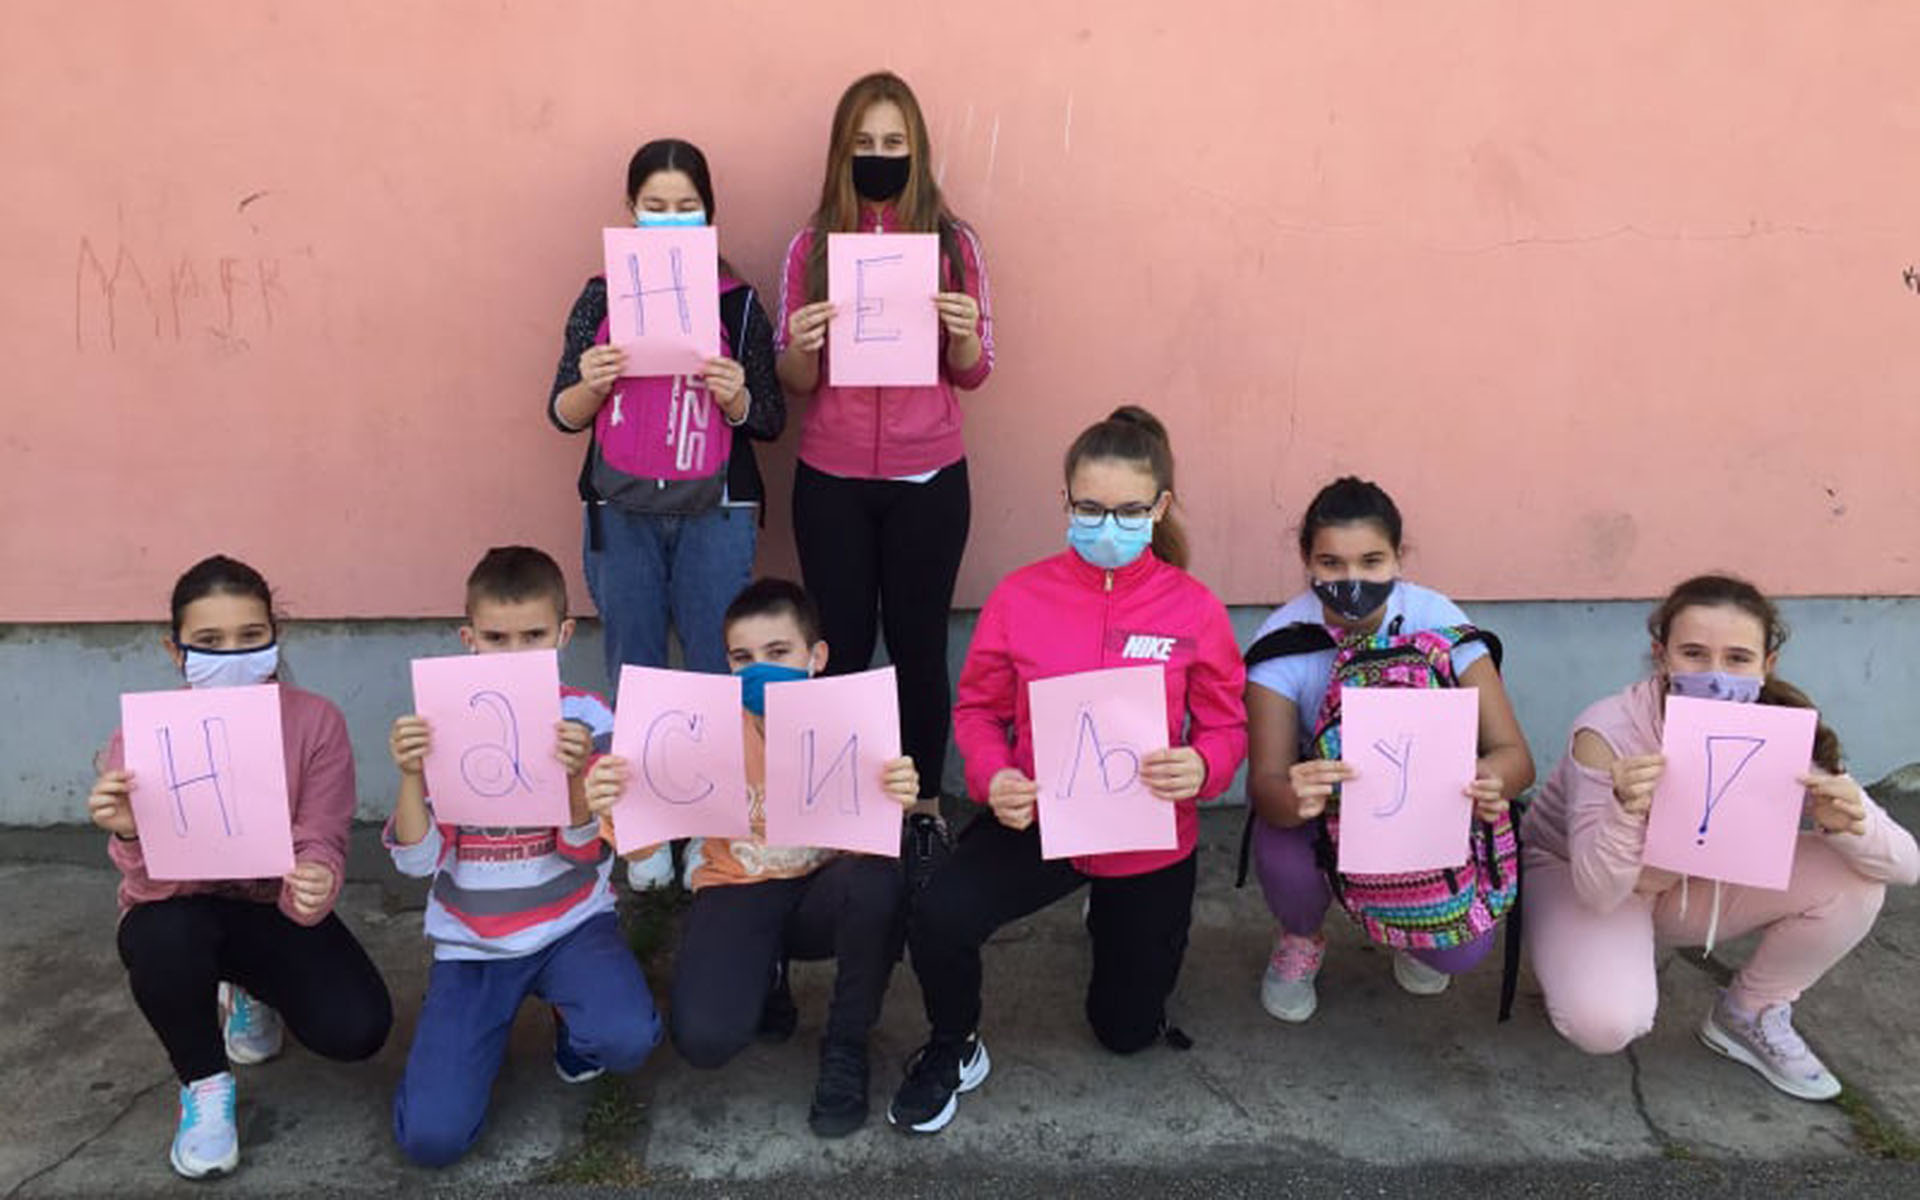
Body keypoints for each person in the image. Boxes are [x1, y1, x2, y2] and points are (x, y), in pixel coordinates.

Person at [886, 407, 1247, 1135]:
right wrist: (994, 778)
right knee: (939, 911)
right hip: (1041, 820)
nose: (1107, 524)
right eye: (1089, 507)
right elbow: (979, 709)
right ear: (1065, 502)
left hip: (1147, 838)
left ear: (1160, 507)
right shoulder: (1019, 597)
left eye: (1129, 510)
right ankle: (955, 1044)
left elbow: (1226, 723)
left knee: (1126, 1031)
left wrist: (1206, 765)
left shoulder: (1194, 609)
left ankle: (1113, 917)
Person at [1521, 573, 1917, 1100]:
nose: (1715, 676)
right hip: (1582, 874)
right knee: (1605, 1021)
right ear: (1661, 656)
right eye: (1693, 654)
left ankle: (1749, 1012)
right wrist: (1623, 811)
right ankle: (1574, 952)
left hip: (1687, 880)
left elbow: (1907, 866)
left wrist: (1852, 823)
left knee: (1856, 879)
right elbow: (1599, 891)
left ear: (1766, 665)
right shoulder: (1609, 730)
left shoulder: (1780, 726)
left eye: (1737, 658)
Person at [85, 555, 392, 1180]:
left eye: (251, 636)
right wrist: (130, 831)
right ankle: (204, 1084)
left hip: (269, 906)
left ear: (276, 635)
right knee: (164, 936)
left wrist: (317, 880)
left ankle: (250, 989)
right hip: (178, 908)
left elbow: (322, 836)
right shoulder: (142, 736)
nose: (232, 655)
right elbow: (145, 886)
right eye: (209, 641)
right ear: (175, 651)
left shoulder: (315, 722)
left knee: (356, 1028)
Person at [585, 578, 916, 1136]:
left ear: (816, 657)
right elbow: (644, 849)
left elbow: (870, 858)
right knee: (705, 1040)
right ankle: (766, 973)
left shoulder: (853, 723)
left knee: (881, 881)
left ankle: (846, 1045)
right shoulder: (702, 728)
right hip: (736, 886)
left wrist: (894, 802)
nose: (759, 668)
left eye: (778, 652)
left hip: (822, 889)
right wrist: (615, 800)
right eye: (742, 657)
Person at [774, 71, 994, 885]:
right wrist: (802, 345)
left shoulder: (952, 244)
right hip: (830, 476)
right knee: (835, 647)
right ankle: (837, 810)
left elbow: (975, 371)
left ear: (917, 150)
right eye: (864, 143)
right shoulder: (811, 247)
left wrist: (962, 333)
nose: (879, 156)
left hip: (927, 476)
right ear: (841, 152)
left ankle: (923, 809)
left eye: (893, 143)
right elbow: (794, 381)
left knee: (917, 645)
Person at [549, 137, 785, 891]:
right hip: (621, 509)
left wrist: (736, 395)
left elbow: (770, 417)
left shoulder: (736, 301)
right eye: (655, 206)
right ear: (631, 211)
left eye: (686, 206)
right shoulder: (600, 296)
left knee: (718, 671)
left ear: (709, 214)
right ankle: (646, 832)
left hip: (716, 508)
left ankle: (713, 833)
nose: (670, 218)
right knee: (636, 670)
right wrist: (591, 382)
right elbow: (561, 412)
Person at [387, 547, 660, 1166]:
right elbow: (416, 862)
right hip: (472, 943)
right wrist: (409, 774)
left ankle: (573, 1022)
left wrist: (575, 781)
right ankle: (469, 1035)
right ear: (469, 639)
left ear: (564, 634)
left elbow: (587, 856)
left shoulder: (589, 718)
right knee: (431, 1140)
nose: (514, 654)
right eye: (496, 637)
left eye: (533, 636)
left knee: (626, 1038)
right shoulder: (441, 719)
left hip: (571, 924)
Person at [1242, 477, 1535, 1022]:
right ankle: (1301, 935)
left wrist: (1490, 779)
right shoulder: (1283, 641)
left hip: (1426, 808)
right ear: (1307, 561)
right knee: (1285, 857)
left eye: (1372, 561)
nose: (1352, 580)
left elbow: (1514, 755)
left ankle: (1413, 931)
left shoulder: (1440, 622)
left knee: (1461, 950)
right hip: (1326, 807)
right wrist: (1295, 796)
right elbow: (1265, 782)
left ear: (1400, 558)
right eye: (1331, 564)